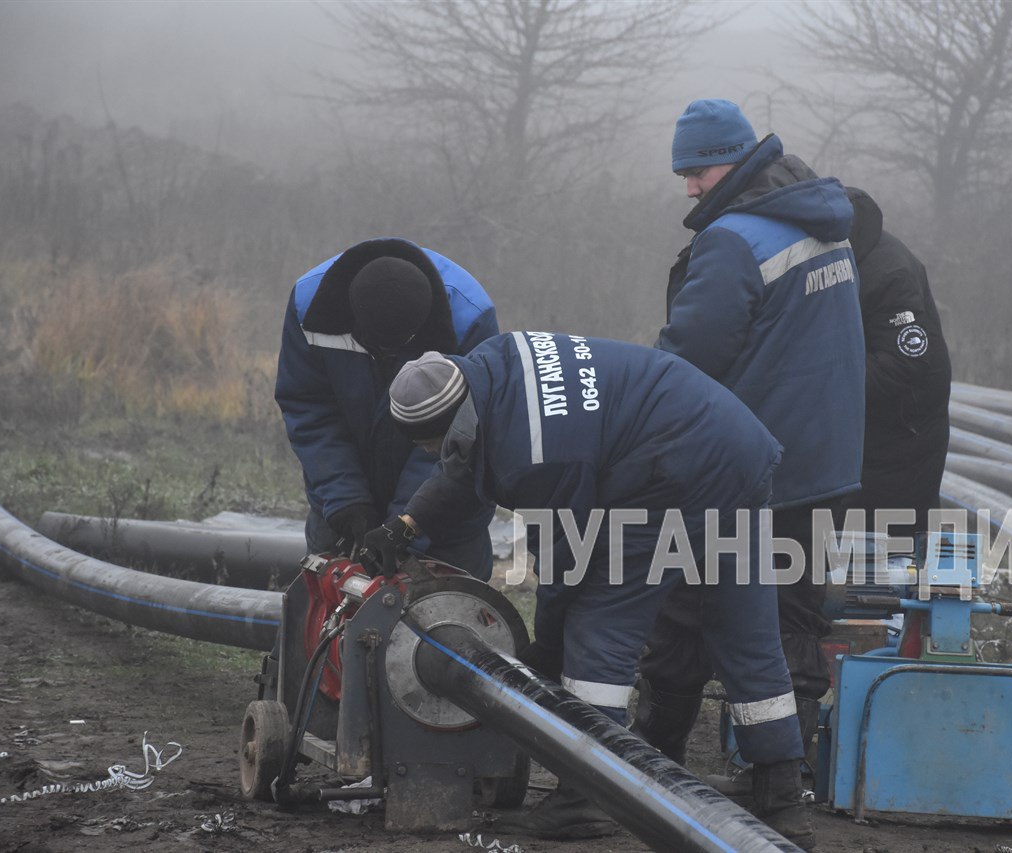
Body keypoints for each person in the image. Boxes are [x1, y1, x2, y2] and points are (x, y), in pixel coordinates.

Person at [371, 335, 816, 848]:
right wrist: (405, 524)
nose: (429, 454)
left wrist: (549, 642)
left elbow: (566, 557)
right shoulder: (491, 365)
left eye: (427, 443)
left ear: (455, 420)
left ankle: (586, 796)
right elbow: (462, 460)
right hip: (736, 448)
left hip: (673, 470)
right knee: (743, 626)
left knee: (599, 622)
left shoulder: (533, 455)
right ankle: (783, 797)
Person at [633, 99, 866, 775]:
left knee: (680, 613)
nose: (690, 186)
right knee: (794, 621)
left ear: (735, 160)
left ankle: (649, 767)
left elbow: (688, 357)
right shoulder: (823, 221)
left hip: (744, 467)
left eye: (700, 170)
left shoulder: (735, 239)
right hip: (824, 464)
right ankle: (780, 784)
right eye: (684, 171)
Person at [274, 238, 498, 580]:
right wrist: (345, 499)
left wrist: (407, 523)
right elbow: (309, 408)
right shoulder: (310, 306)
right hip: (339, 511)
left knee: (450, 622)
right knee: (326, 617)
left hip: (446, 517)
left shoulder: (469, 318)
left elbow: (462, 435)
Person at [841, 187, 952, 542]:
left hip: (904, 432)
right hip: (873, 433)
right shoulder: (853, 258)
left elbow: (904, 359)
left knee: (890, 541)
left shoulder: (889, 272)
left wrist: (826, 386)